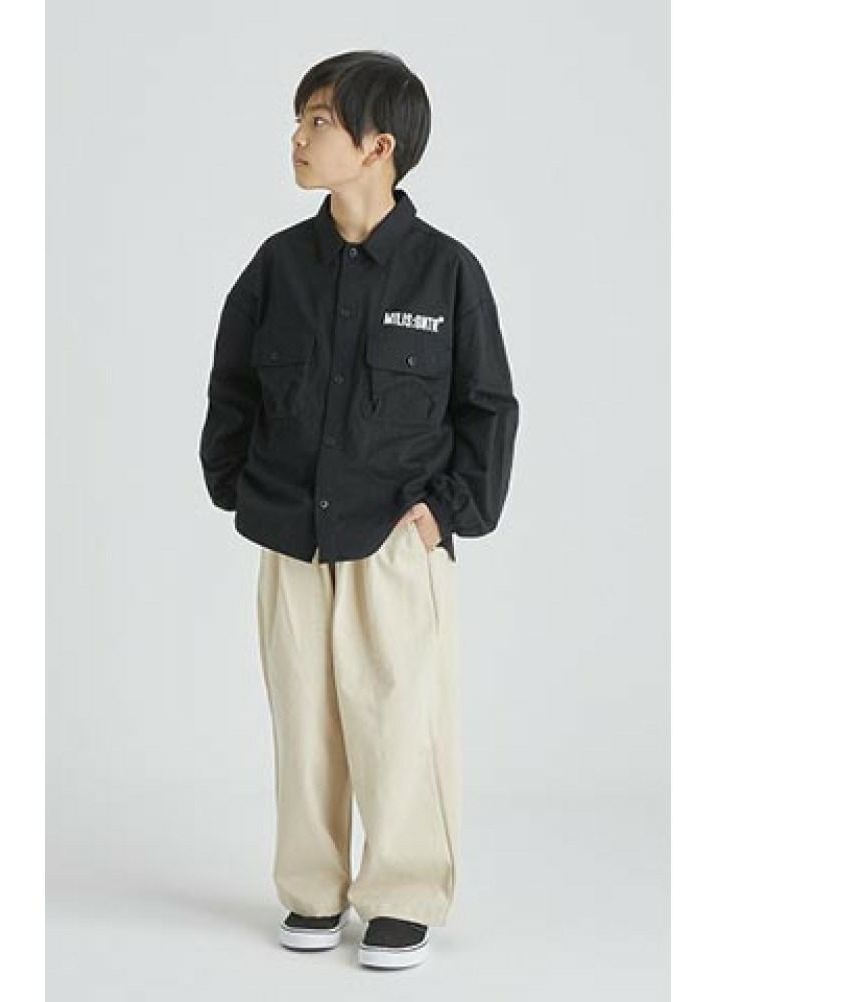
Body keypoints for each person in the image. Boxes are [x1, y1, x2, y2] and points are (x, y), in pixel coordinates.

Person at [199, 49, 520, 969]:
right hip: (290, 536)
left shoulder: (446, 273)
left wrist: (446, 512)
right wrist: (238, 485)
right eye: (299, 120)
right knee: (303, 723)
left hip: (393, 541)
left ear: (378, 146)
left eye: (319, 121)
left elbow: (487, 405)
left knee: (399, 721)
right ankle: (311, 891)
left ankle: (403, 896)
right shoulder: (277, 267)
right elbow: (233, 385)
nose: (298, 138)